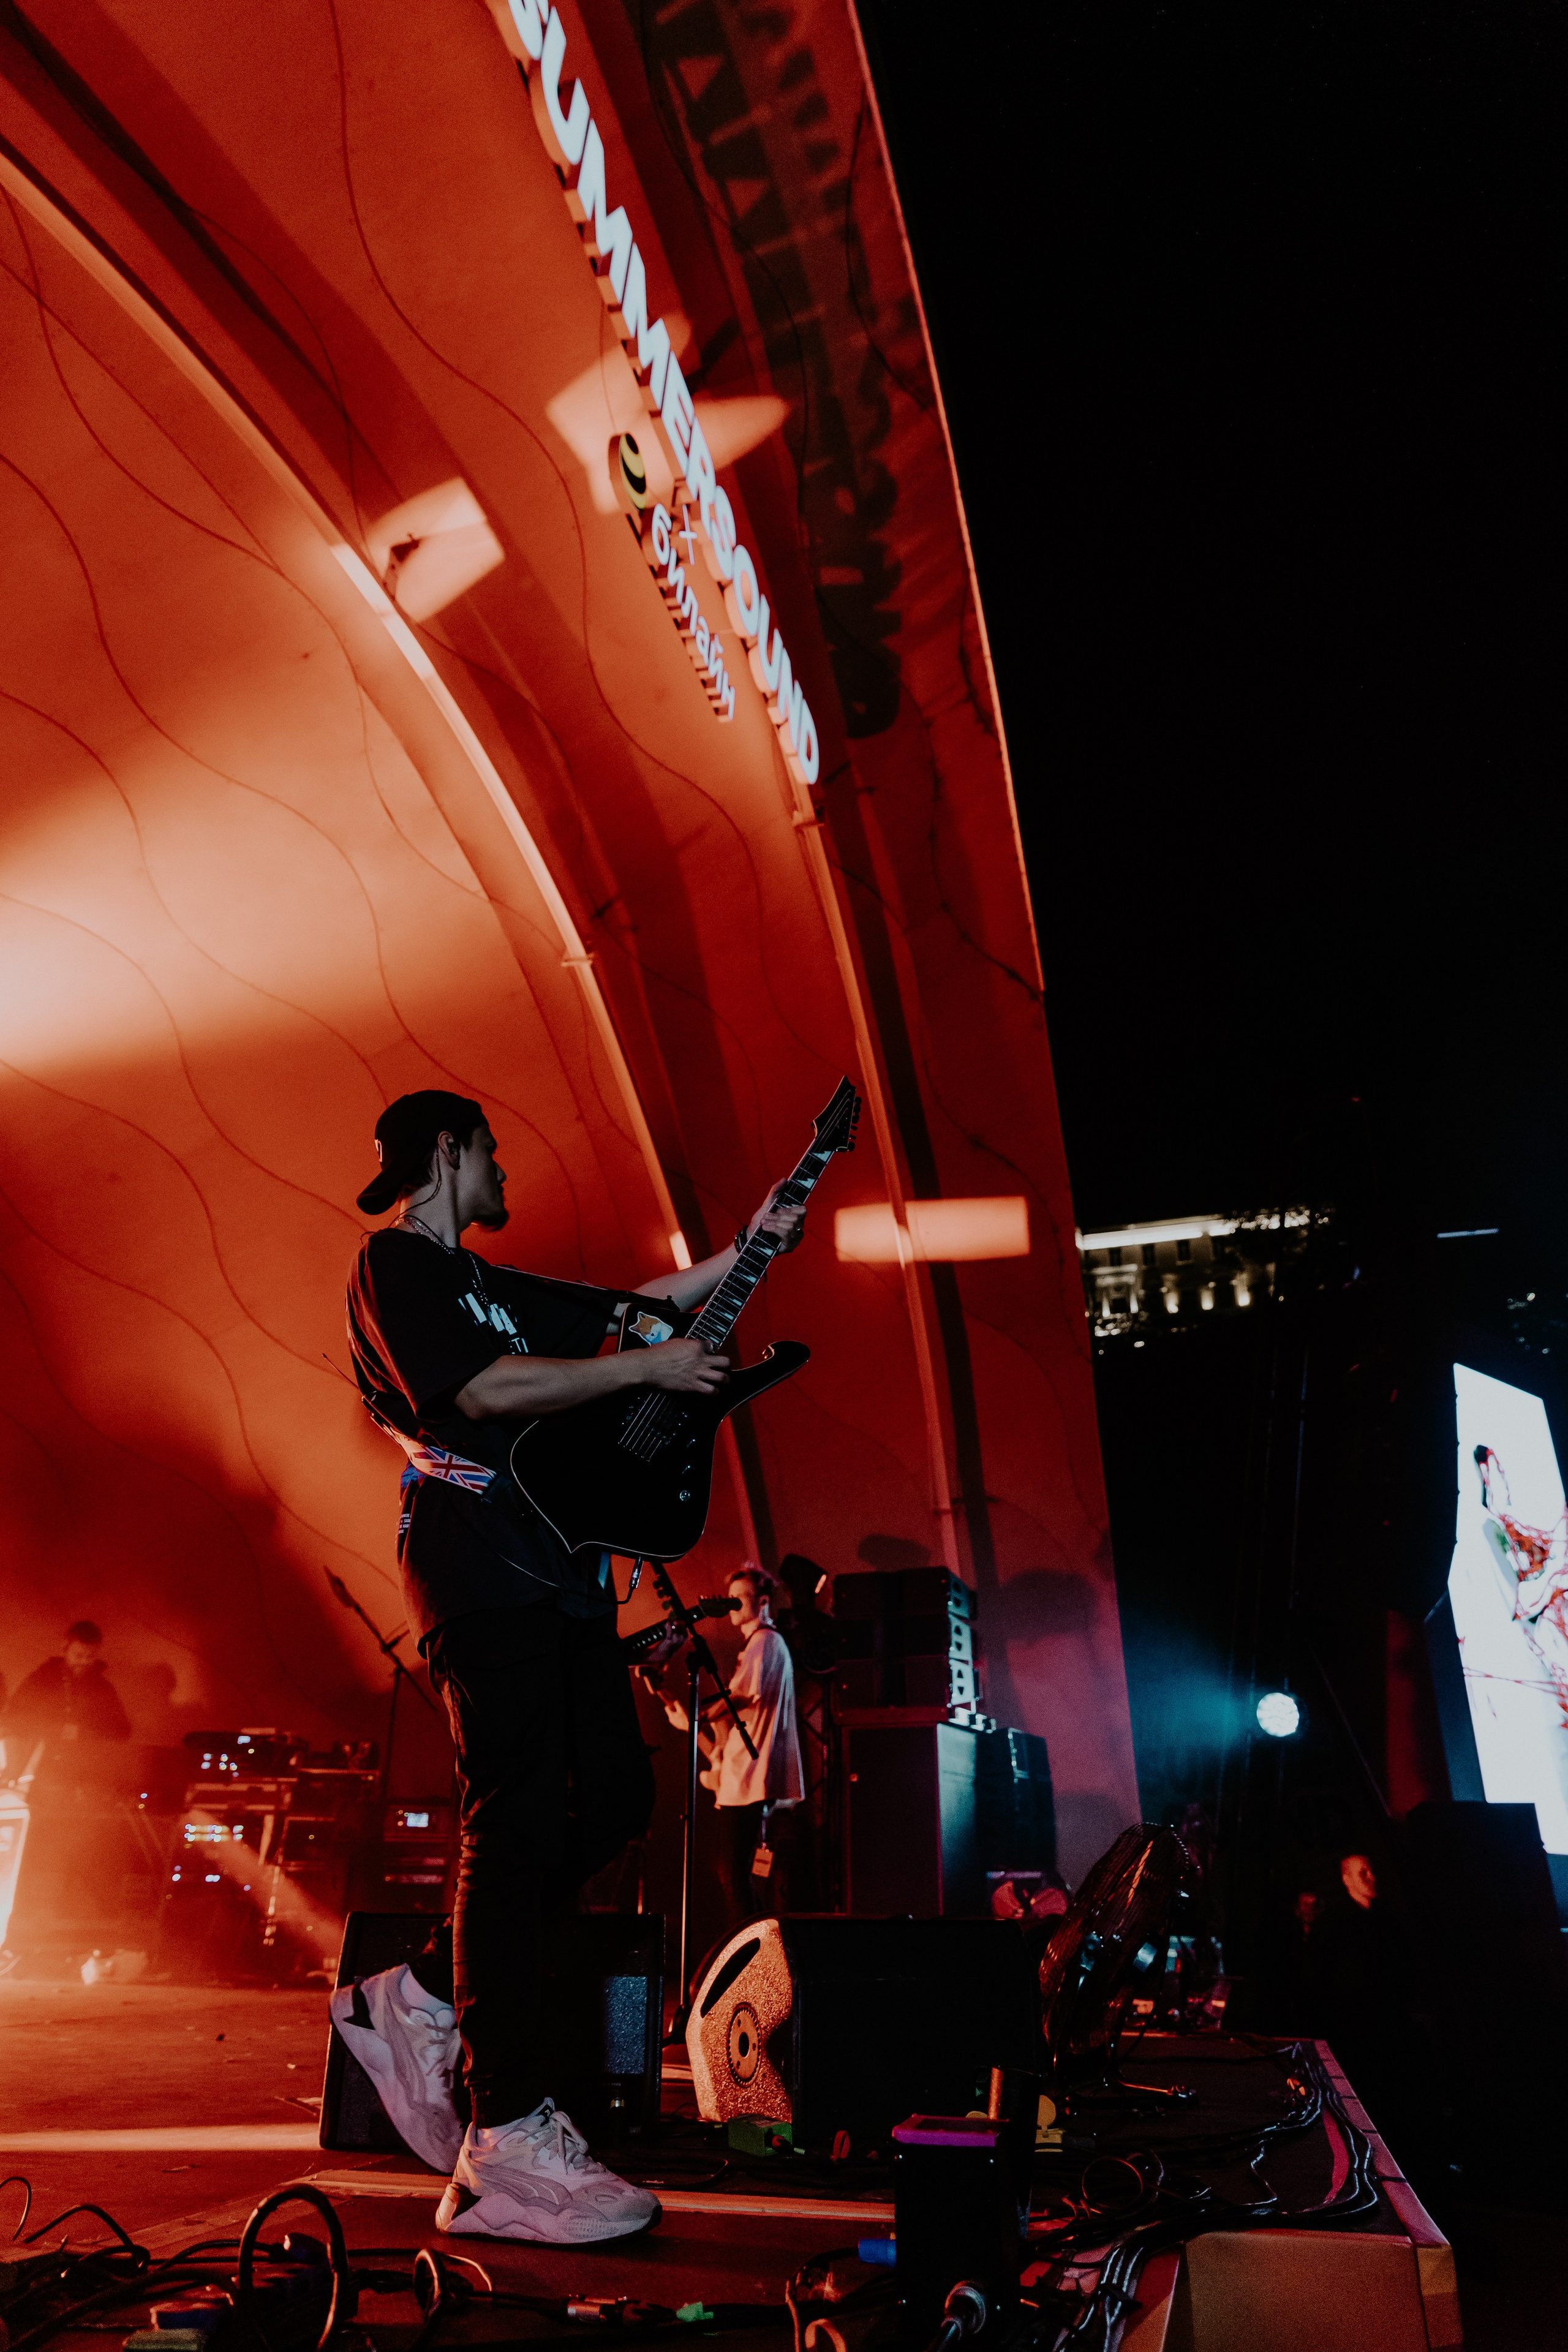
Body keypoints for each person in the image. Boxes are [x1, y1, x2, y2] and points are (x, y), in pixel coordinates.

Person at [328, 1090, 804, 2246]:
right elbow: (484, 1392)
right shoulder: (395, 1269)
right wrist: (644, 1377)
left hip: (560, 1574)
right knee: (521, 1811)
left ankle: (425, 1991)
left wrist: (753, 1242)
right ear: (447, 1153)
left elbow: (640, 1309)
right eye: (493, 1151)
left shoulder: (498, 1286)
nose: (505, 1172)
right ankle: (504, 2143)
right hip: (474, 1566)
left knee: (619, 1796)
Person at [652, 1565, 804, 1925]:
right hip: (742, 1774)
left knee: (732, 1874)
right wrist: (695, 1724)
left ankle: (755, 1956)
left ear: (763, 1602)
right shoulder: (759, 1645)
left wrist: (696, 1717)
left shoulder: (765, 1642)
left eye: (741, 1597)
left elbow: (738, 1697)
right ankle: (758, 1949)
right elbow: (735, 1714)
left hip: (752, 1777)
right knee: (733, 1874)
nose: (733, 1604)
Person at [0, 1622, 131, 1755]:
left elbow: (122, 1730)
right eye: (78, 1656)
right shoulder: (40, 1680)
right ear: (65, 1648)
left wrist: (83, 1732)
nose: (84, 1662)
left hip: (86, 1762)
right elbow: (13, 1717)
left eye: (90, 1656)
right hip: (42, 1760)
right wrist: (54, 1729)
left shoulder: (104, 1688)